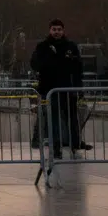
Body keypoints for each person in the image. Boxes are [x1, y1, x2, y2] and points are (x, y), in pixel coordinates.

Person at [31, 19, 90, 157]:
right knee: (54, 119)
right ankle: (56, 146)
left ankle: (75, 143)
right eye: (54, 29)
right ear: (50, 30)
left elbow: (78, 69)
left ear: (63, 31)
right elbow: (35, 64)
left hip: (69, 89)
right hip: (50, 89)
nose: (56, 32)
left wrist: (79, 89)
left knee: (72, 117)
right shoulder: (43, 47)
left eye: (59, 29)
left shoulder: (71, 46)